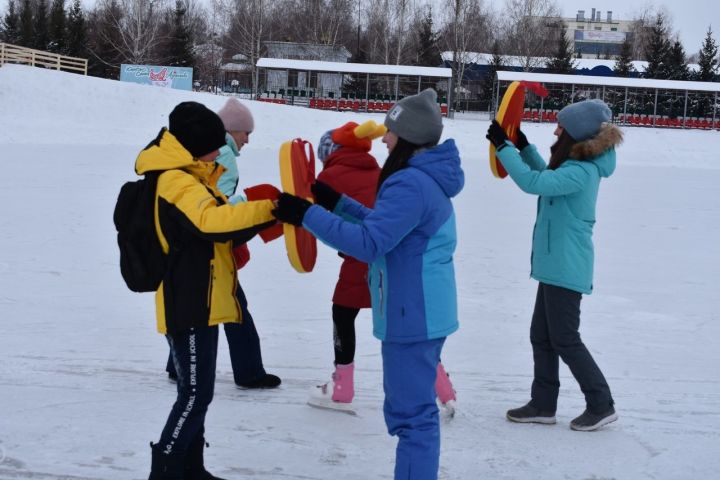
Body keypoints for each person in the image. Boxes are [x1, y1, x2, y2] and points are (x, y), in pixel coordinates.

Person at [273, 88, 463, 480]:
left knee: (412, 419)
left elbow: (369, 243)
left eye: (390, 132)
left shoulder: (410, 183)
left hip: (413, 314)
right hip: (420, 309)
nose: (384, 139)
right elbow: (384, 227)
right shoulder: (420, 179)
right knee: (414, 414)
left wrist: (307, 215)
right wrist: (335, 203)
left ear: (407, 137)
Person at [138, 101, 277, 479]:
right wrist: (270, 209)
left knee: (197, 391)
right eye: (214, 144)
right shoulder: (174, 180)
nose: (221, 151)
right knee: (195, 395)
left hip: (203, 295)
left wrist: (266, 217)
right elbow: (210, 221)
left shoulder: (194, 175)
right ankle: (165, 468)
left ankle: (191, 467)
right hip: (188, 300)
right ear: (197, 143)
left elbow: (223, 228)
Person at [485, 98, 623, 432]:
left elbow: (536, 184)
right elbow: (547, 175)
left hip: (567, 266)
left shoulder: (583, 170)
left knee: (564, 338)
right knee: (542, 337)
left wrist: (503, 147)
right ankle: (543, 404)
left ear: (574, 133)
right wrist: (522, 146)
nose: (556, 129)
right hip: (554, 264)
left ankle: (601, 404)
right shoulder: (573, 164)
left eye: (561, 125)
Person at [308, 121, 458, 415]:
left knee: (343, 315)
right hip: (396, 261)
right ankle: (443, 388)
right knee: (416, 333)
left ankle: (342, 386)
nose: (384, 140)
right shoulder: (381, 171)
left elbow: (346, 231)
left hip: (363, 254)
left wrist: (306, 214)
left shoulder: (330, 175)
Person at [164, 97, 281, 390]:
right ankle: (249, 371)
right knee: (232, 305)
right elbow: (219, 206)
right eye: (246, 133)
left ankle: (178, 366)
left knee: (195, 305)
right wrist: (254, 203)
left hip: (190, 243)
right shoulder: (223, 154)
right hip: (211, 244)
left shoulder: (198, 150)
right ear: (231, 130)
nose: (248, 140)